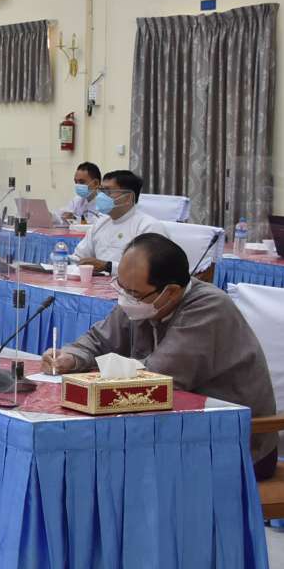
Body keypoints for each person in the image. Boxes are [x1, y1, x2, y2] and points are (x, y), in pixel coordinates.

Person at [43, 233, 278, 478]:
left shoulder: (209, 309)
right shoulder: (143, 300)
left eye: (133, 293)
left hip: (233, 444)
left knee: (107, 467)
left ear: (171, 292)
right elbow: (99, 340)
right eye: (121, 287)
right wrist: (71, 357)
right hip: (180, 430)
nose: (125, 298)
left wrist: (92, 375)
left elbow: (156, 379)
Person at [71, 169, 161, 273]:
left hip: (129, 283)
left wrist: (108, 267)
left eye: (108, 192)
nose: (101, 196)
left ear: (128, 197)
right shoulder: (100, 223)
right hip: (96, 281)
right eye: (101, 191)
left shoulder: (148, 227)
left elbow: (149, 269)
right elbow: (79, 256)